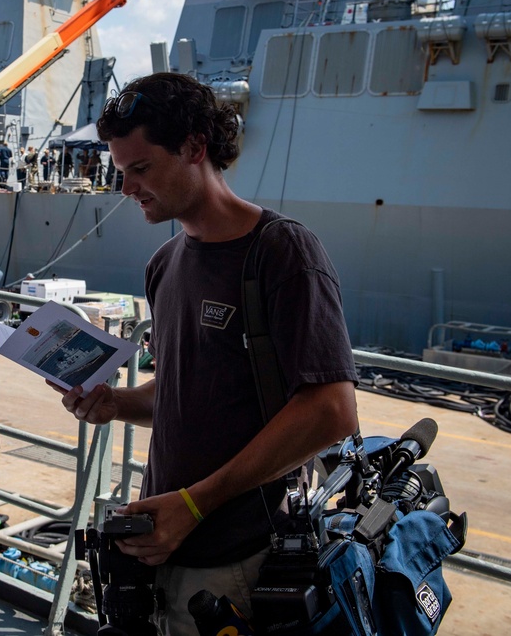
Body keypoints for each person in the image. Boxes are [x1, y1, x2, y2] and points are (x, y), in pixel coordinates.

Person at [53, 73, 359, 634]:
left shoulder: (283, 252)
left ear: (195, 147)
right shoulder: (165, 265)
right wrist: (116, 403)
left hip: (239, 559)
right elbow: (181, 392)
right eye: (121, 172)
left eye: (140, 169)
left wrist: (192, 505)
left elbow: (331, 412)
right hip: (164, 549)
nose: (127, 188)